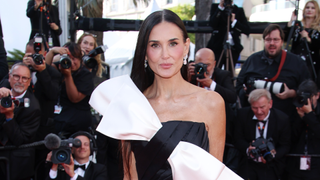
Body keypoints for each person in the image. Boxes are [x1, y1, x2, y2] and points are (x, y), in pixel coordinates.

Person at [125, 9, 225, 179]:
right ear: (145, 52)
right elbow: (129, 176)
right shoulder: (131, 106)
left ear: (186, 47)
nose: (165, 55)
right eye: (155, 45)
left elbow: (216, 176)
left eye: (173, 44)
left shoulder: (211, 103)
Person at [236, 24, 310, 118]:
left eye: (276, 40)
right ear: (264, 41)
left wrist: (291, 93)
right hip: (255, 117)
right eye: (268, 40)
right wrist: (247, 92)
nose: (272, 43)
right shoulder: (252, 60)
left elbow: (307, 89)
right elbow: (238, 86)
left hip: (285, 119)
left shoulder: (296, 63)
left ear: (282, 42)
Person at [188, 48, 237, 169]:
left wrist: (212, 85)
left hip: (218, 127)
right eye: (200, 64)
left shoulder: (222, 75)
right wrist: (186, 78)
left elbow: (232, 97)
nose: (203, 68)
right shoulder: (188, 75)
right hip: (193, 128)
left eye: (207, 65)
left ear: (214, 64)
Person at [234, 89, 291, 180]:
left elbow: (285, 146)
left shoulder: (282, 119)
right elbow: (237, 139)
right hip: (248, 165)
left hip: (271, 167)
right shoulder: (243, 114)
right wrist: (248, 149)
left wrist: (272, 155)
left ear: (270, 104)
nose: (259, 112)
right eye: (254, 108)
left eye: (262, 107)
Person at [0, 63, 41, 180]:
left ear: (29, 82)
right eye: (16, 76)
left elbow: (20, 140)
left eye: (24, 78)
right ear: (9, 77)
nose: (20, 81)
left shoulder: (33, 107)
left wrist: (9, 116)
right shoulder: (3, 88)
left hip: (15, 162)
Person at [46, 42, 94, 137]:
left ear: (80, 59)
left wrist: (67, 75)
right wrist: (52, 52)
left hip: (77, 123)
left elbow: (75, 98)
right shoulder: (60, 67)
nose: (71, 62)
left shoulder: (85, 75)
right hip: (59, 119)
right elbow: (44, 70)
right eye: (68, 58)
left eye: (74, 58)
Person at [286, 79, 320, 180]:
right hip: (295, 164)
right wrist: (300, 119)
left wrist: (309, 116)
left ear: (317, 95)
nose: (305, 101)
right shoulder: (293, 110)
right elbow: (290, 138)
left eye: (309, 97)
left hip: (316, 166)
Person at [206, 0, 250, 72]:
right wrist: (220, 8)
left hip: (233, 48)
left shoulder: (238, 10)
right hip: (217, 47)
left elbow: (247, 29)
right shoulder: (216, 7)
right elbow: (212, 24)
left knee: (230, 74)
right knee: (215, 71)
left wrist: (234, 22)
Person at [285, 0, 320, 82]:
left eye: (312, 8)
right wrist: (291, 22)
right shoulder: (298, 26)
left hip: (311, 64)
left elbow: (317, 46)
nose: (309, 10)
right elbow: (286, 38)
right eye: (307, 7)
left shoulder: (317, 29)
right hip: (296, 61)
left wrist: (308, 39)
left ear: (316, 11)